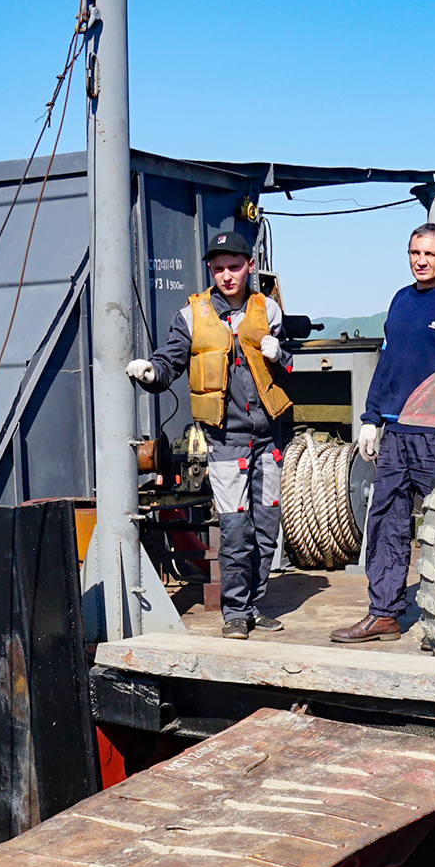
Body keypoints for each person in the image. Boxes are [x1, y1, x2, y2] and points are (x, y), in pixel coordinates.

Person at [127, 231, 293, 639]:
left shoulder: (267, 309)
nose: (227, 275)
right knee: (235, 527)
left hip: (269, 437)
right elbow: (170, 361)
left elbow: (290, 368)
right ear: (210, 271)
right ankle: (235, 612)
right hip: (225, 440)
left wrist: (281, 354)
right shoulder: (191, 315)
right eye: (218, 269)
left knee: (267, 525)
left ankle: (254, 604)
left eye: (234, 266)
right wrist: (150, 374)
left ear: (249, 266)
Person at [331, 223, 435, 644]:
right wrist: (371, 418)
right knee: (386, 522)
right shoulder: (400, 300)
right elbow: (388, 363)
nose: (420, 260)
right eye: (415, 252)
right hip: (396, 431)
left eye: (430, 255)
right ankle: (383, 613)